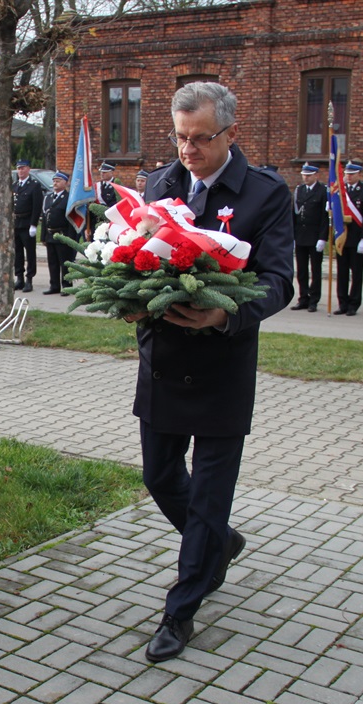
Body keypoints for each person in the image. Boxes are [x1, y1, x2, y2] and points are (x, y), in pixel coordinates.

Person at [129, 81, 293, 663]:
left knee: (207, 497)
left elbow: (279, 281)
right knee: (159, 476)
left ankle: (181, 609)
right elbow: (135, 258)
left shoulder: (265, 194)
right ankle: (221, 544)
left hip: (223, 363)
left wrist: (224, 313)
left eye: (200, 138)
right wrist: (131, 298)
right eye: (180, 137)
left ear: (230, 132)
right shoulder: (160, 184)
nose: (188, 150)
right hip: (163, 360)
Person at [335, 160, 363, 316]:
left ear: (359, 174)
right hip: (342, 238)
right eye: (346, 174)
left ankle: (354, 303)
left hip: (357, 238)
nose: (348, 176)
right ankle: (342, 303)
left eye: (352, 174)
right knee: (342, 272)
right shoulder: (340, 190)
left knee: (356, 273)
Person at [290, 162, 328, 312]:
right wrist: (292, 236)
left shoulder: (323, 191)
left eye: (309, 175)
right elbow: (293, 215)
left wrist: (323, 237)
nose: (305, 178)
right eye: (304, 175)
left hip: (315, 236)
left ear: (316, 175)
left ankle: (314, 299)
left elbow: (325, 217)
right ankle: (303, 298)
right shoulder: (299, 190)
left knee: (315, 270)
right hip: (301, 235)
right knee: (302, 270)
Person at [40, 171, 78, 295]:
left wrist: (71, 238)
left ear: (65, 183)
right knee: (52, 262)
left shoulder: (69, 198)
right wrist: (43, 236)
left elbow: (71, 220)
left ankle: (67, 286)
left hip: (63, 234)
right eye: (54, 181)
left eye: (58, 181)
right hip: (50, 234)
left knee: (65, 262)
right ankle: (54, 285)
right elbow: (45, 218)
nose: (55, 183)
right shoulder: (48, 197)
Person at [12, 159, 43, 292]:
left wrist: (33, 224)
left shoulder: (34, 186)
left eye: (23, 168)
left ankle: (29, 278)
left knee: (30, 253)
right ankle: (19, 278)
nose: (20, 171)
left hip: (27, 223)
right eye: (19, 168)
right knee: (17, 252)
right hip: (16, 223)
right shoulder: (14, 185)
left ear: (28, 169)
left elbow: (37, 206)